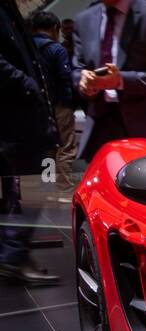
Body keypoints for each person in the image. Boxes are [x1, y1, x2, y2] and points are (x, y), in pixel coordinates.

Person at [73, 0, 146, 162]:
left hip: (145, 129)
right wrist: (84, 82)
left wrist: (121, 81)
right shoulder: (84, 19)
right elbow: (77, 68)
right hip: (100, 127)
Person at [1, 0, 57, 285]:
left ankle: (13, 252)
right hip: (15, 117)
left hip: (18, 115)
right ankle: (13, 255)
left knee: (15, 188)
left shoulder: (9, 10)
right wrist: (25, 84)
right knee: (36, 185)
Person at [30, 10, 77, 200]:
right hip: (59, 105)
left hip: (36, 106)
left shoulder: (27, 47)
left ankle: (47, 190)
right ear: (55, 28)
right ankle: (65, 191)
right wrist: (71, 103)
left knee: (46, 148)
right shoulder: (57, 50)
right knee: (65, 147)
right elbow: (66, 79)